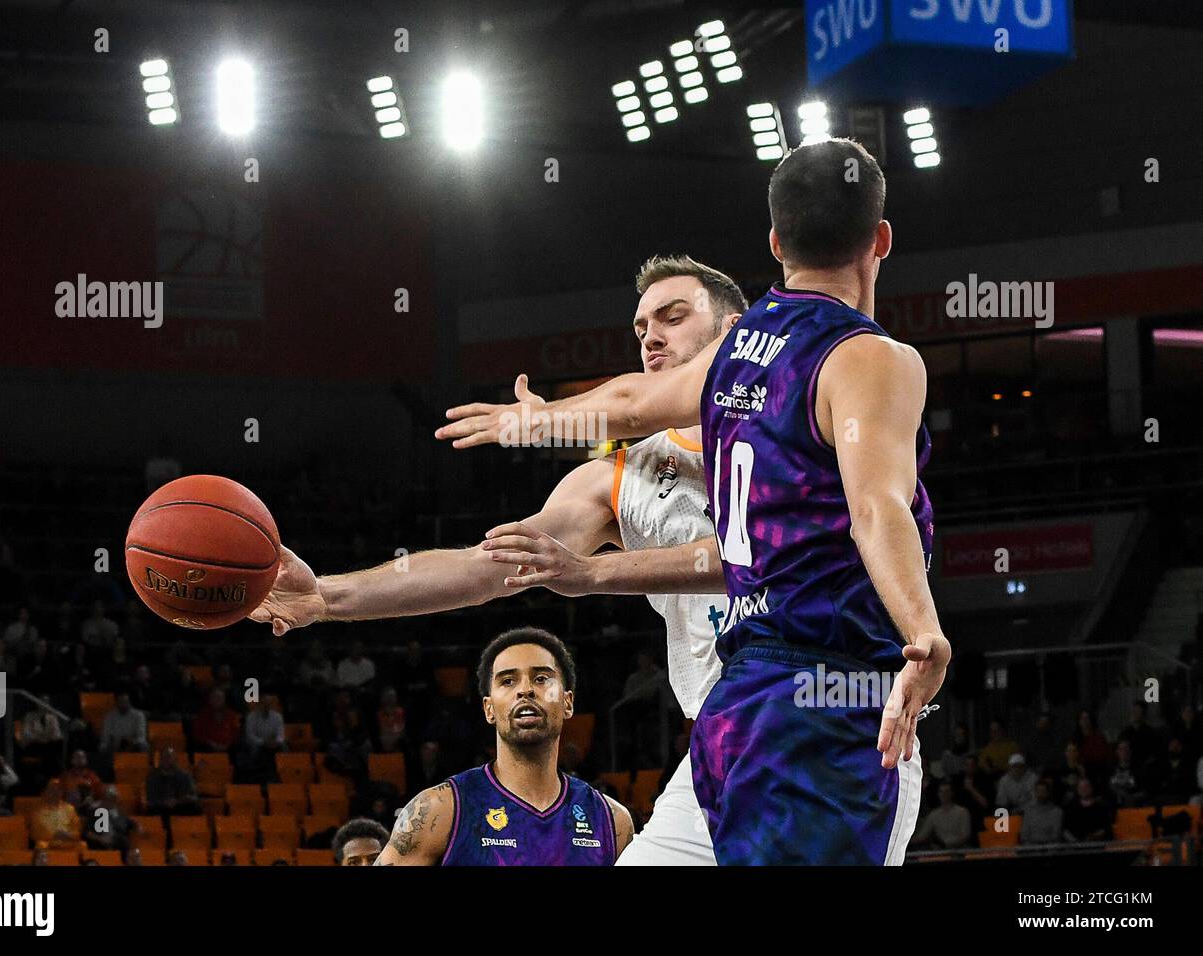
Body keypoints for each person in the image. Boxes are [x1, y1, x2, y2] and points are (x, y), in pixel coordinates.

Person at [436, 138, 949, 865]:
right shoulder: (873, 358)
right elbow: (877, 509)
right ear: (882, 240)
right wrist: (924, 630)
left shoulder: (738, 354)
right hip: (829, 694)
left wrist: (539, 418)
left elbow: (629, 401)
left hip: (737, 704)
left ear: (775, 244)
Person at [252, 254, 751, 866]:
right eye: (641, 326)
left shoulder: (796, 426)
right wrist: (325, 597)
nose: (650, 336)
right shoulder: (620, 478)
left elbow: (758, 553)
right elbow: (483, 568)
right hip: (722, 739)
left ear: (734, 331)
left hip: (823, 708)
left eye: (672, 317)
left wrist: (544, 425)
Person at [375, 628, 633, 865]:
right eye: (508, 681)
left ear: (567, 703)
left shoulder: (611, 821)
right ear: (489, 709)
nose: (525, 690)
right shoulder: (440, 809)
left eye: (541, 678)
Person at [144, 746, 201, 820]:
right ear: (160, 759)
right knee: (152, 810)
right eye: (164, 757)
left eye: (169, 757)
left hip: (179, 806)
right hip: (161, 807)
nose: (166, 760)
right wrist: (164, 802)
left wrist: (178, 801)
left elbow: (194, 797)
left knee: (195, 808)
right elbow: (151, 799)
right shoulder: (152, 777)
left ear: (176, 760)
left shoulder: (185, 776)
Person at [910, 782, 970, 850]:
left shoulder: (962, 812)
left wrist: (949, 844)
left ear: (952, 793)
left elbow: (965, 835)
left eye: (947, 791)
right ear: (938, 794)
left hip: (960, 852)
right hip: (942, 852)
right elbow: (922, 836)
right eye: (941, 792)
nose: (944, 794)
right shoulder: (934, 815)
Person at [30, 780, 81, 849]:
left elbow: (77, 831)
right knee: (41, 845)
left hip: (68, 843)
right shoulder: (37, 810)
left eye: (59, 789)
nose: (56, 792)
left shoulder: (70, 809)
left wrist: (68, 835)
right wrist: (54, 835)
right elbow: (35, 834)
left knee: (82, 846)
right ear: (46, 792)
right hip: (48, 844)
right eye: (52, 790)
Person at [1020, 781, 1064, 845]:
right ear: (1035, 793)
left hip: (1049, 848)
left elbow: (1055, 835)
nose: (1040, 795)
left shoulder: (1057, 812)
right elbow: (1024, 834)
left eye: (1043, 792)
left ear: (1048, 793)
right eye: (1038, 792)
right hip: (1031, 847)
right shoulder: (1029, 810)